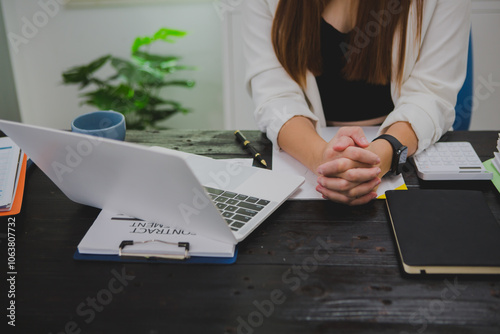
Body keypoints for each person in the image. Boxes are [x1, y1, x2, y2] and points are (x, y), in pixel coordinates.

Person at [242, 0, 471, 205]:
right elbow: (275, 95)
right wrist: (322, 157)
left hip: (403, 147)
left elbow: (431, 93)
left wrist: (379, 157)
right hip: (309, 143)